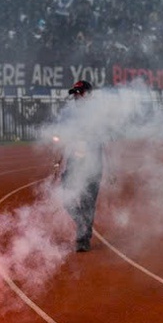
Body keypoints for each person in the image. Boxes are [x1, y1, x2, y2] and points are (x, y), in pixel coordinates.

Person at [54, 80, 104, 252]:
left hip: (93, 164)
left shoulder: (97, 114)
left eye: (79, 93)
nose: (76, 96)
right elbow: (67, 137)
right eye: (74, 93)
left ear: (88, 94)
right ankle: (82, 224)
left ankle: (83, 238)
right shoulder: (71, 114)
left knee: (87, 201)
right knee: (65, 196)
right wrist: (60, 159)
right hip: (74, 162)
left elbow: (100, 140)